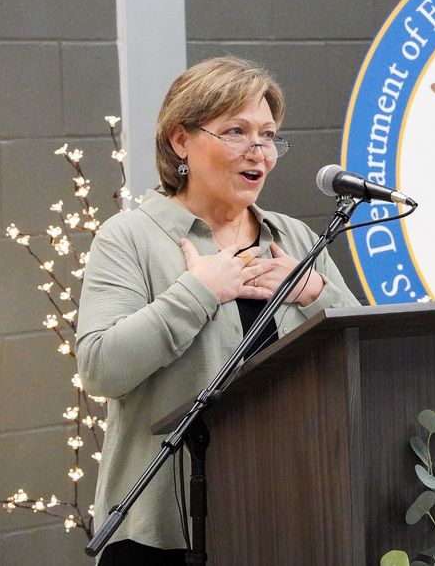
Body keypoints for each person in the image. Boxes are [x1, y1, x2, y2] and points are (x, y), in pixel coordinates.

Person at [75, 56, 360, 564]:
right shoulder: (129, 237)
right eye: (236, 131)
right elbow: (100, 367)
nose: (260, 151)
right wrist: (198, 292)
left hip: (287, 514)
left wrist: (318, 293)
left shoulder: (292, 236)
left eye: (268, 135)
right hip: (165, 530)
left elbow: (355, 349)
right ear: (181, 140)